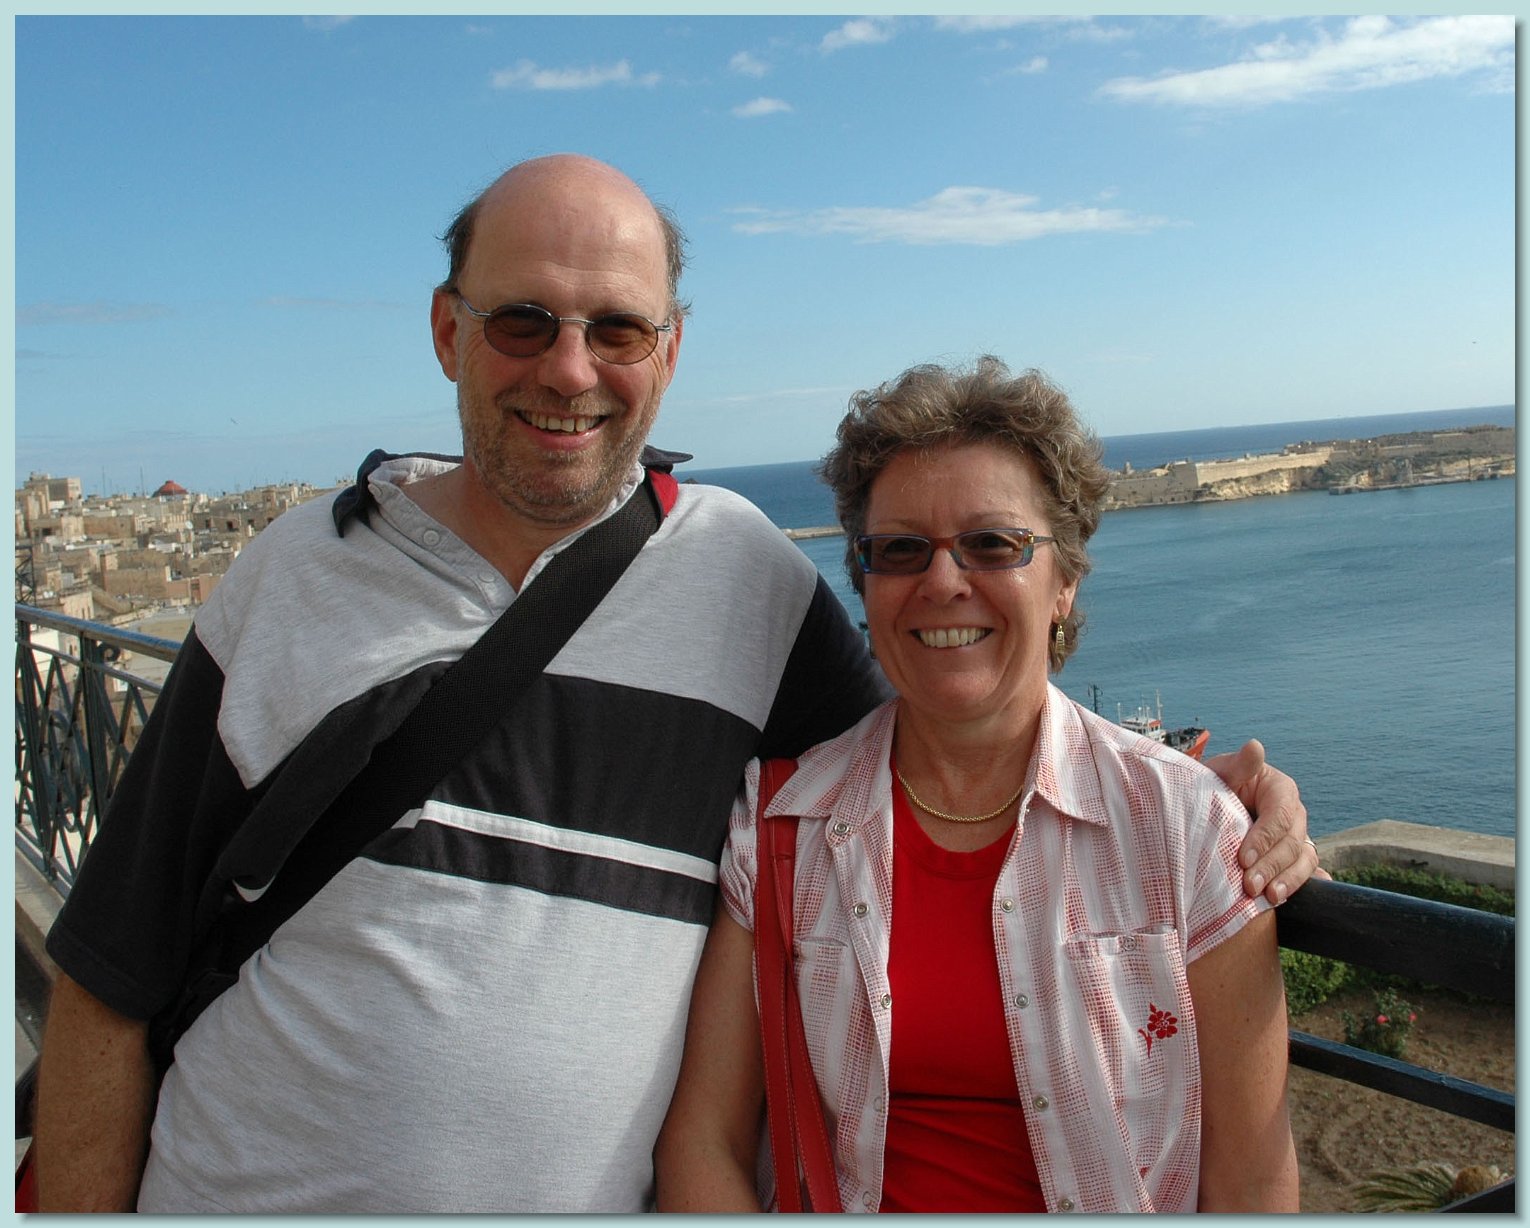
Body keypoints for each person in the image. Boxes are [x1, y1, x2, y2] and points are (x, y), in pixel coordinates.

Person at [32, 156, 1315, 1214]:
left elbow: (951, 726)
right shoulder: (295, 574)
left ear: (671, 349)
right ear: (448, 331)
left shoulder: (744, 581)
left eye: (617, 329)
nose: (570, 369)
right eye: (524, 321)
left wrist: (1190, 797)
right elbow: (108, 967)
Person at [655, 358, 1300, 1213]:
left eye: (993, 543)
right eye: (900, 549)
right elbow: (703, 1139)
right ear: (865, 581)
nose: (942, 581)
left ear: (1064, 580)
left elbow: (1253, 1181)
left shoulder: (1187, 833)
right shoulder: (783, 826)